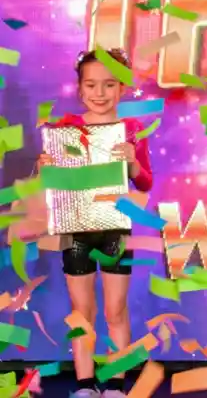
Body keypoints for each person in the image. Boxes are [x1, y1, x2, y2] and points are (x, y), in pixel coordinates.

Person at [37, 49, 153, 398]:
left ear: (122, 88)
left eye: (109, 84)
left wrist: (132, 162)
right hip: (76, 231)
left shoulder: (131, 130)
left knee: (116, 310)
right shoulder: (66, 128)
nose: (100, 93)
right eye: (91, 85)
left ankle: (115, 385)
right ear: (80, 88)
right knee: (81, 311)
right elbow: (52, 183)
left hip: (115, 229)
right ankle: (85, 386)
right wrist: (45, 167)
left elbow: (145, 182)